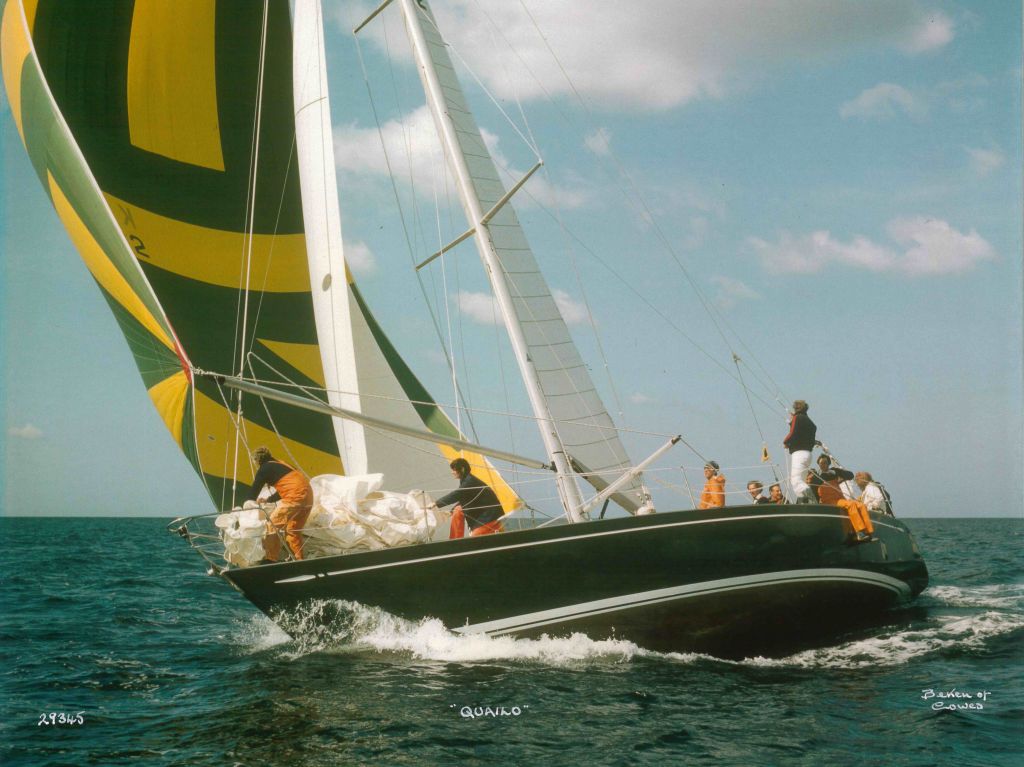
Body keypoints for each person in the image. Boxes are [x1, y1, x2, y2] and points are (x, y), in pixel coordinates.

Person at [248, 446, 314, 562]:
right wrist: (268, 500)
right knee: (293, 529)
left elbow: (254, 491)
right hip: (308, 496)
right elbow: (288, 486)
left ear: (257, 461)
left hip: (295, 497)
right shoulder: (281, 464)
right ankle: (298, 560)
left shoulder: (264, 469)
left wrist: (245, 505)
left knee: (272, 524)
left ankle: (270, 559)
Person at [435, 458, 505, 538]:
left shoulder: (469, 481)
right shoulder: (465, 480)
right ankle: (455, 541)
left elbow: (456, 495)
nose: (452, 472)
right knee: (457, 510)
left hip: (489, 515)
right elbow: (464, 499)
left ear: (462, 469)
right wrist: (451, 511)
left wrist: (435, 504)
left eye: (454, 470)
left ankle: (494, 531)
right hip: (481, 512)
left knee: (475, 537)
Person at [783, 400, 817, 503]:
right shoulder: (810, 421)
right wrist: (792, 422)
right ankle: (804, 502)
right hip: (808, 454)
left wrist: (785, 442)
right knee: (801, 481)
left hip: (799, 453)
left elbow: (792, 432)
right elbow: (801, 431)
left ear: (796, 408)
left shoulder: (797, 418)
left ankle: (812, 500)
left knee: (796, 481)